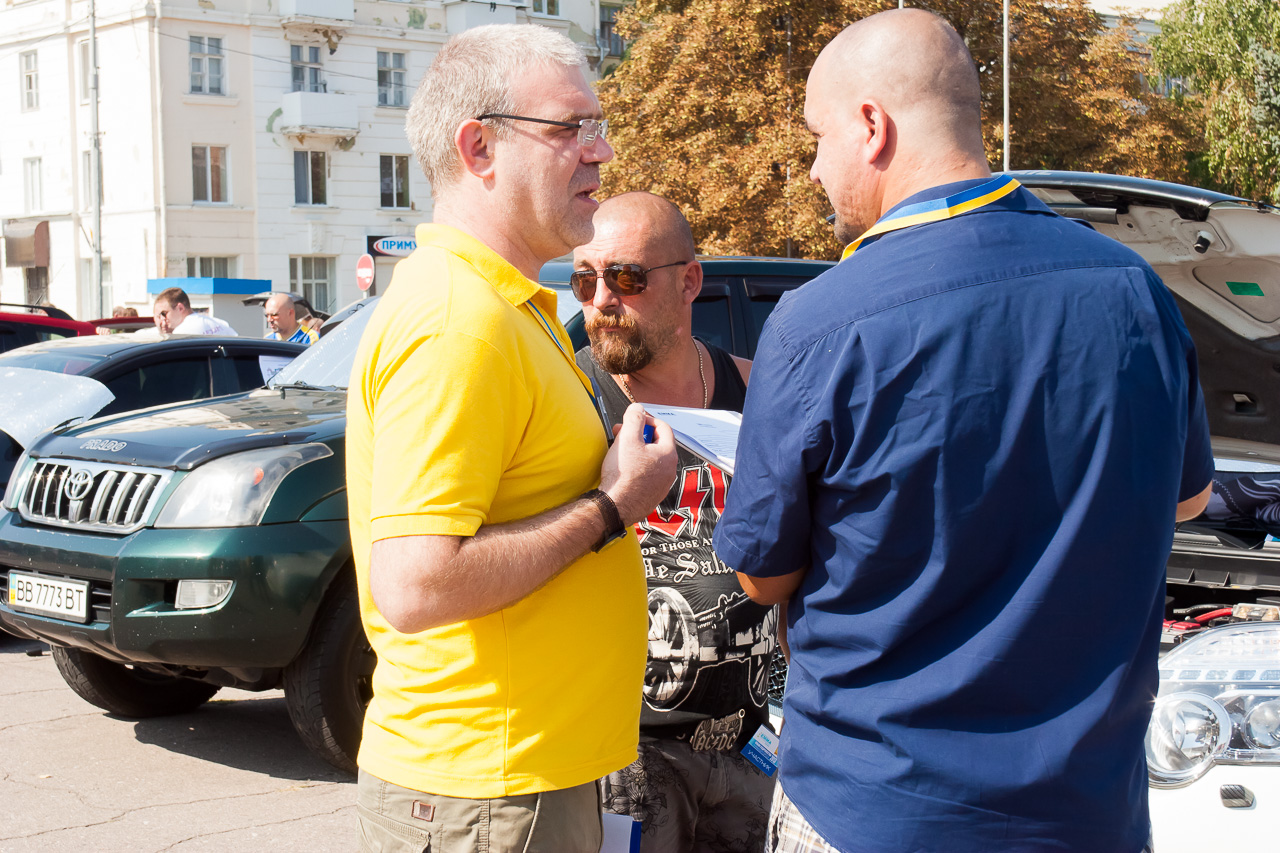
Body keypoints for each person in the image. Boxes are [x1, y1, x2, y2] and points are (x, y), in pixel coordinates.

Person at [711, 9, 1215, 853]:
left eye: (817, 138)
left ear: (871, 126)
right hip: (1087, 815)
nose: (813, 169)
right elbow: (1188, 498)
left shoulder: (818, 324)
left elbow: (762, 577)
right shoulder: (1134, 290)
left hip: (874, 808)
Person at [345, 24, 677, 853]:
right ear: (479, 148)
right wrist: (612, 505)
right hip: (488, 793)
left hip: (509, 783)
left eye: (598, 126)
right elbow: (416, 584)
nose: (601, 152)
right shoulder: (461, 320)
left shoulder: (499, 307)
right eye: (570, 128)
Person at [572, 192, 775, 853]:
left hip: (753, 743)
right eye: (585, 280)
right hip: (622, 755)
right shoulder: (569, 405)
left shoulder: (755, 392)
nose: (602, 299)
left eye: (626, 277)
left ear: (689, 282)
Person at [152, 287, 237, 336]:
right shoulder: (220, 324)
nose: (163, 320)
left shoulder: (182, 333)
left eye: (164, 313)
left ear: (180, 308)